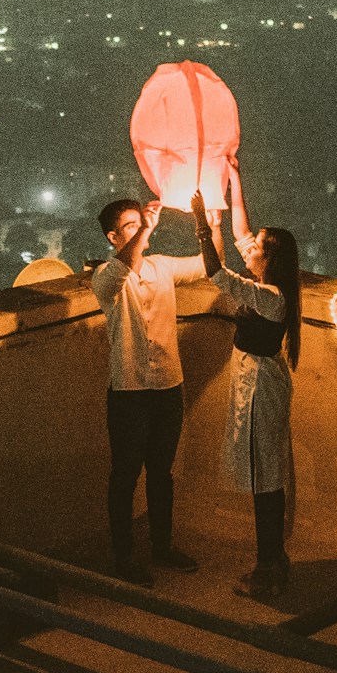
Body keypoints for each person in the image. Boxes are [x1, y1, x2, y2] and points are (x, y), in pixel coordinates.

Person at [191, 156, 301, 602]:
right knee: (264, 474)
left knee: (264, 479)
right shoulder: (269, 284)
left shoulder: (270, 297)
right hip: (255, 381)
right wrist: (234, 178)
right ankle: (272, 560)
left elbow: (216, 273)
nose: (248, 243)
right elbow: (238, 233)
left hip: (260, 388)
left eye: (257, 244)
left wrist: (201, 223)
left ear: (267, 257)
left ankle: (267, 566)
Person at [90, 197, 204, 585]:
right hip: (129, 391)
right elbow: (124, 266)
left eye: (142, 222)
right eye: (131, 225)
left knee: (161, 472)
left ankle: (162, 546)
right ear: (112, 237)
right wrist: (147, 230)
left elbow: (210, 263)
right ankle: (123, 557)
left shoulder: (162, 267)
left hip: (168, 385)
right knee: (124, 476)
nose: (141, 228)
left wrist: (210, 221)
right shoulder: (106, 276)